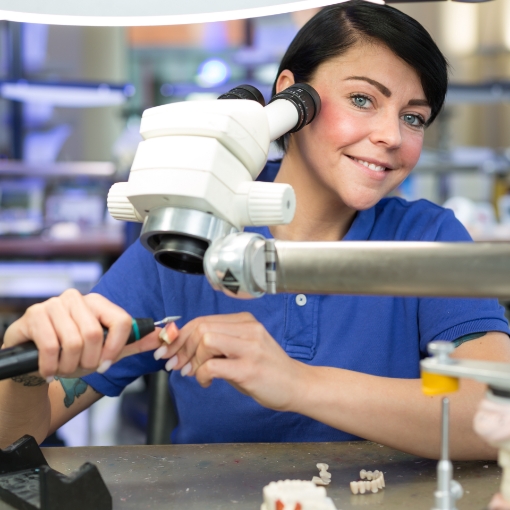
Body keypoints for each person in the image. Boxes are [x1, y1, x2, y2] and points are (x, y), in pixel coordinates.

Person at [1, 0, 509, 460]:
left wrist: (295, 383)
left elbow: (494, 416)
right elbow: (17, 432)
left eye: (414, 118)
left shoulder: (426, 236)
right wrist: (25, 367)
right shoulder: (193, 225)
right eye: (361, 100)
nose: (390, 136)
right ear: (291, 97)